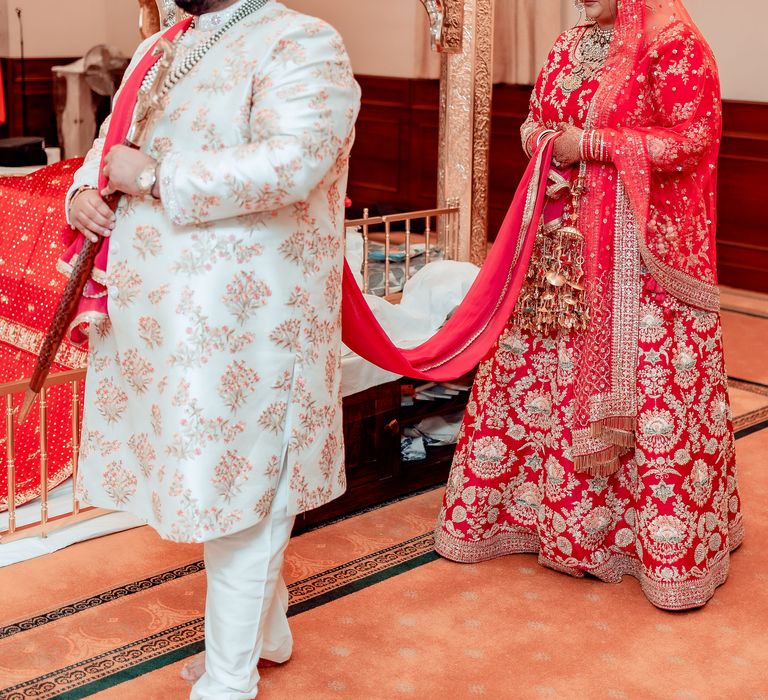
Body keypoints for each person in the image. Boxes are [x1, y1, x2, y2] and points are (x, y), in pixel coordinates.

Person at [66, 0, 360, 696]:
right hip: (169, 329)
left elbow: (291, 164)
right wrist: (84, 188)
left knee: (246, 498)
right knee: (213, 490)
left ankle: (229, 681)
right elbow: (111, 146)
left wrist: (151, 177)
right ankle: (266, 632)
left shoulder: (303, 41)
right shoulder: (163, 43)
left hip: (249, 329)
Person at [434, 0, 743, 610]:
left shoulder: (672, 42)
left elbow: (694, 138)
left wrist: (594, 144)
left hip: (638, 262)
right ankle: (531, 519)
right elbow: (532, 123)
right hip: (556, 243)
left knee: (648, 387)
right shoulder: (568, 43)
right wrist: (547, 142)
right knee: (533, 371)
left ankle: (643, 542)